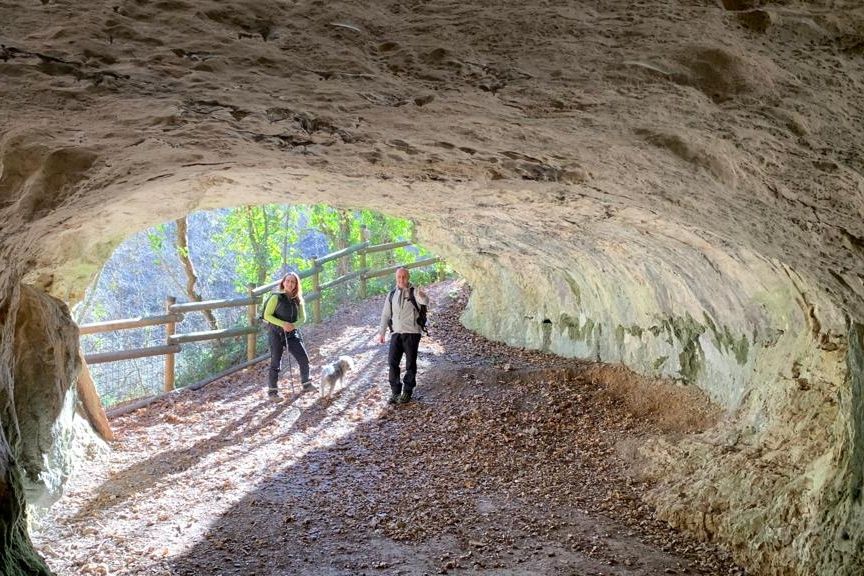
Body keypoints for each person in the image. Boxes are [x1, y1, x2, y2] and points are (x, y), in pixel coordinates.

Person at [378, 267, 429, 404]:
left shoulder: (414, 292)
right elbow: (386, 314)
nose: (401, 279)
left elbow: (424, 301)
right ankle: (395, 392)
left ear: (408, 277)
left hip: (412, 332)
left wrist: (423, 296)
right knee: (392, 362)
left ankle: (407, 391)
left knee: (410, 364)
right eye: (399, 277)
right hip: (396, 333)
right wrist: (382, 332)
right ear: (396, 278)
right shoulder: (391, 294)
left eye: (404, 277)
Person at [263, 272, 312, 399]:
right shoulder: (276, 298)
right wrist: (283, 324)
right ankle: (272, 392)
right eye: (288, 281)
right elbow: (267, 315)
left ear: (296, 285)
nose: (290, 284)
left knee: (303, 358)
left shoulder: (298, 299)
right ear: (283, 282)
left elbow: (303, 318)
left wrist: (293, 326)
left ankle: (306, 383)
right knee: (276, 362)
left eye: (293, 282)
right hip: (276, 333)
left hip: (291, 333)